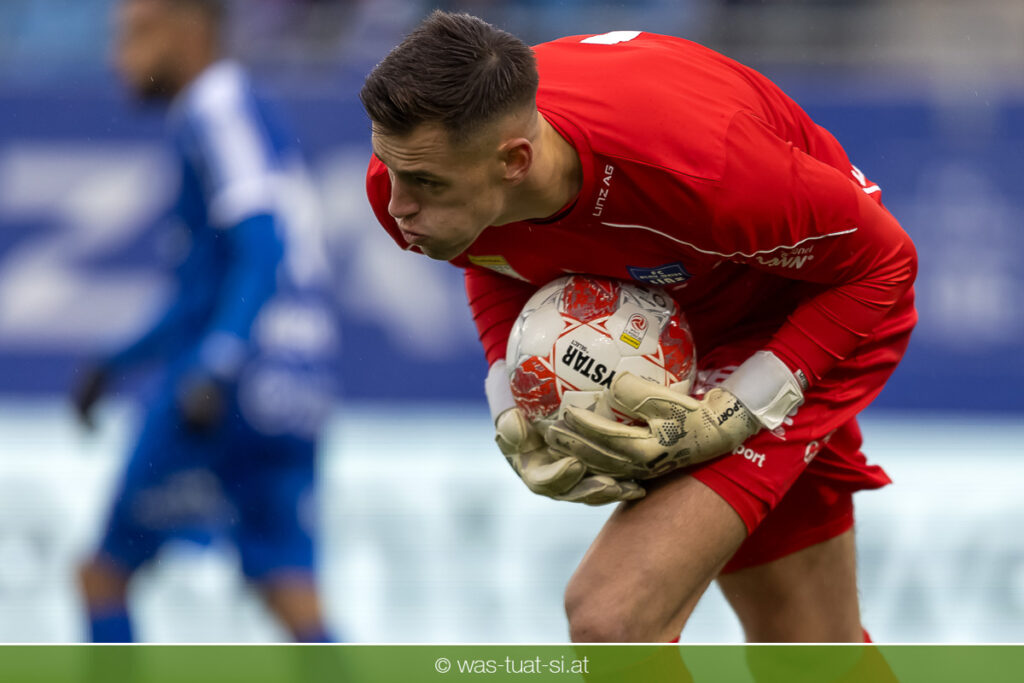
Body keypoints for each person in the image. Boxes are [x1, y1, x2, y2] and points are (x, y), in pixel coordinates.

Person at [361, 12, 917, 645]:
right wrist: (508, 392)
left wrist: (736, 409)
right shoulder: (412, 177)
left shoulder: (706, 169)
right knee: (810, 652)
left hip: (812, 310)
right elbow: (492, 254)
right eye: (389, 166)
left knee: (615, 620)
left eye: (425, 182)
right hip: (686, 310)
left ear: (515, 160)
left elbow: (883, 264)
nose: (396, 204)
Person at [71, 0, 339, 643]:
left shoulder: (215, 105)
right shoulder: (254, 110)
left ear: (189, 31)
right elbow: (204, 289)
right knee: (290, 591)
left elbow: (262, 246)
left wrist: (216, 362)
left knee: (103, 575)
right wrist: (116, 360)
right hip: (295, 383)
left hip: (226, 389)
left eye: (135, 36)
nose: (118, 58)